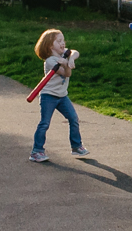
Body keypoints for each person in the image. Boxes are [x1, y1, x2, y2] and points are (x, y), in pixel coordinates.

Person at [29, 28, 91, 162]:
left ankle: (76, 146)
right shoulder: (51, 61)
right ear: (50, 45)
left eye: (63, 40)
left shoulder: (63, 54)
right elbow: (67, 73)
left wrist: (71, 59)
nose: (63, 44)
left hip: (62, 96)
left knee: (73, 119)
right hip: (48, 96)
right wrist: (67, 65)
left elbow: (75, 52)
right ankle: (36, 151)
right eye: (59, 41)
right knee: (45, 123)